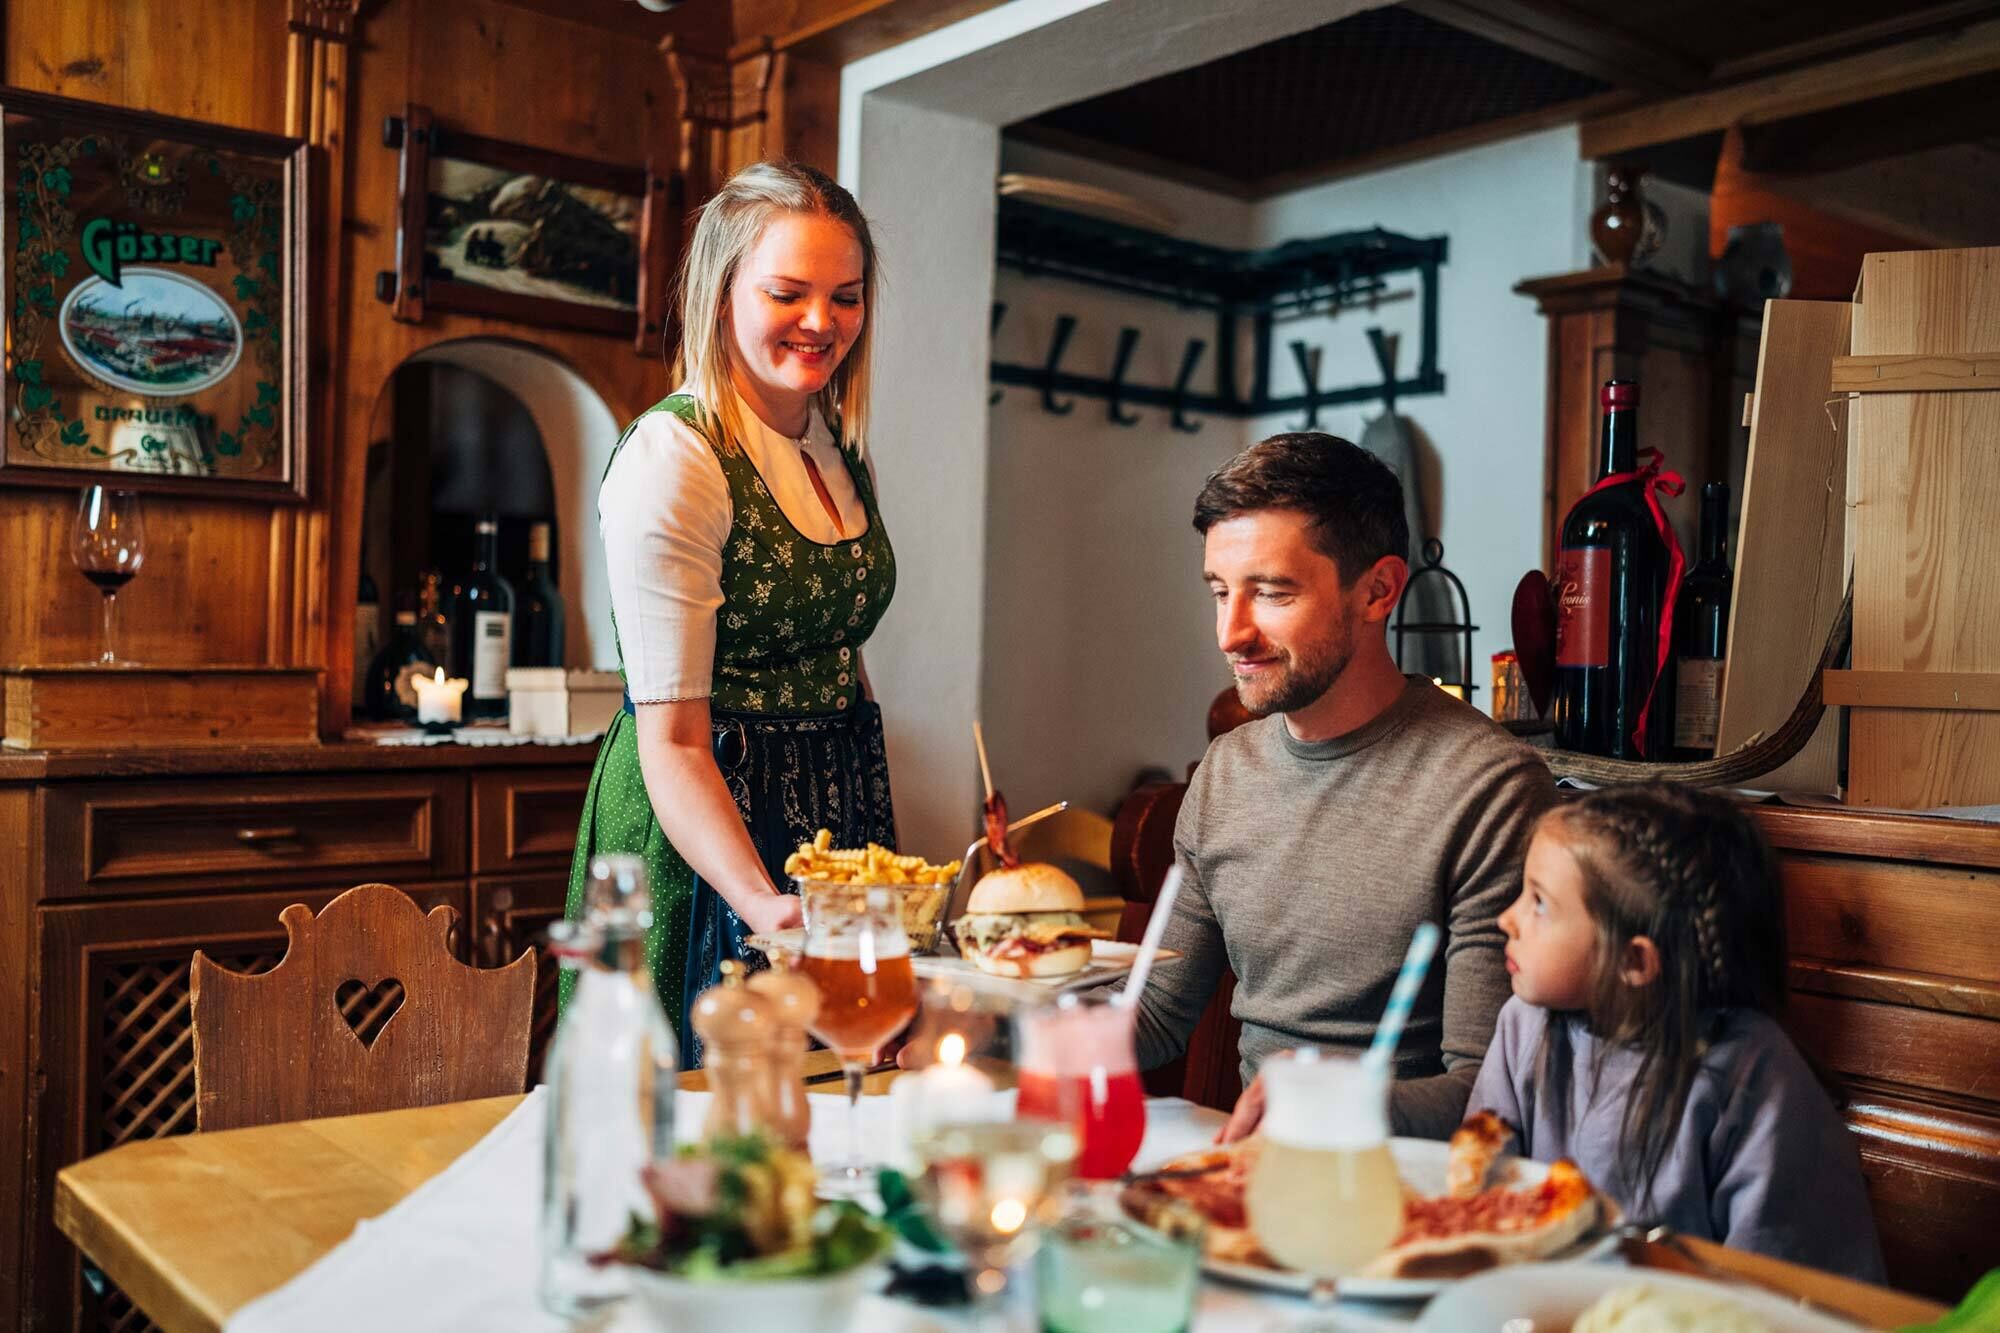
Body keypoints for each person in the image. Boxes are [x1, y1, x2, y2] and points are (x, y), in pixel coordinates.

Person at [1129, 433, 1555, 1142]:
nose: (1231, 633)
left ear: (1379, 590)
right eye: (1219, 592)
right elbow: (1155, 1016)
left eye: (1270, 592)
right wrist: (979, 1019)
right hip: (1248, 1180)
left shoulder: (1490, 789)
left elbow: (1487, 1096)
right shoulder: (1225, 774)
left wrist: (1329, 1098)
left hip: (1408, 1197)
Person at [564, 161, 896, 1063]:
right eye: (789, 293)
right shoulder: (676, 456)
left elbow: (841, 650)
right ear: (720, 296)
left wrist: (869, 853)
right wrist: (760, 902)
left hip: (827, 816)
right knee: (701, 1128)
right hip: (705, 835)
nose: (823, 322)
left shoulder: (836, 444)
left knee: (833, 1105)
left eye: (847, 296)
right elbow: (671, 739)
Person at [1470, 782, 1886, 1278]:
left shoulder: (1752, 1077)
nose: (1506, 919)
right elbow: (1481, 1185)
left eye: (1539, 903)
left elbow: (1783, 1285)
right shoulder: (1523, 1026)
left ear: (1633, 960)